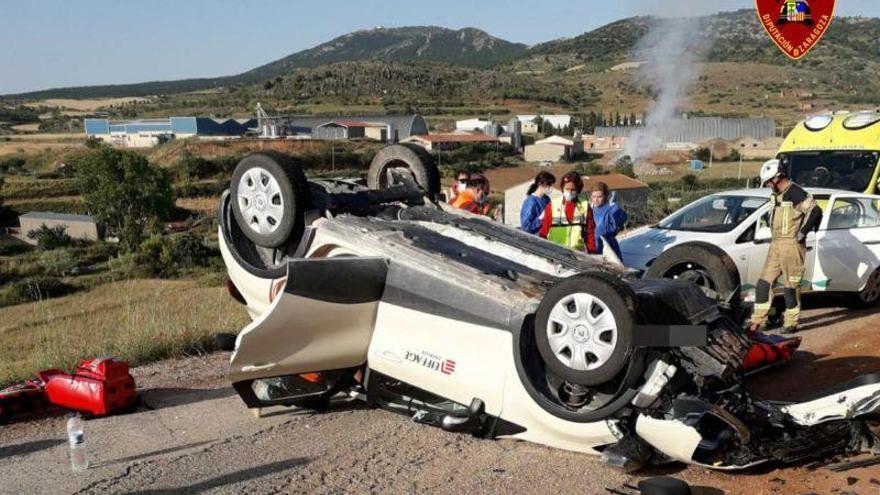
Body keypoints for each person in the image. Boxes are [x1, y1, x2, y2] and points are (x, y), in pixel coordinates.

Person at [749, 159, 822, 334]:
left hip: (791, 244)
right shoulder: (776, 195)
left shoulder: (796, 192)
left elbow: (815, 211)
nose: (767, 185)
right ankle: (759, 321)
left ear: (778, 178)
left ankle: (791, 323)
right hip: (776, 244)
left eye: (768, 182)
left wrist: (802, 233)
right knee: (763, 283)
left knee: (791, 287)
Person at [539, 172, 597, 252]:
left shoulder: (585, 206)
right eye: (567, 189)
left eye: (573, 190)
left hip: (577, 254)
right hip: (555, 252)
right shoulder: (553, 205)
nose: (569, 192)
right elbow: (544, 231)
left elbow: (589, 233)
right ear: (562, 188)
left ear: (578, 190)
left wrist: (592, 252)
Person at [589, 181, 628, 259]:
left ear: (605, 196)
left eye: (599, 197)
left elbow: (623, 218)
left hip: (609, 251)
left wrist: (617, 210)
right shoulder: (590, 211)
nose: (596, 200)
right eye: (593, 196)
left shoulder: (611, 209)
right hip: (593, 251)